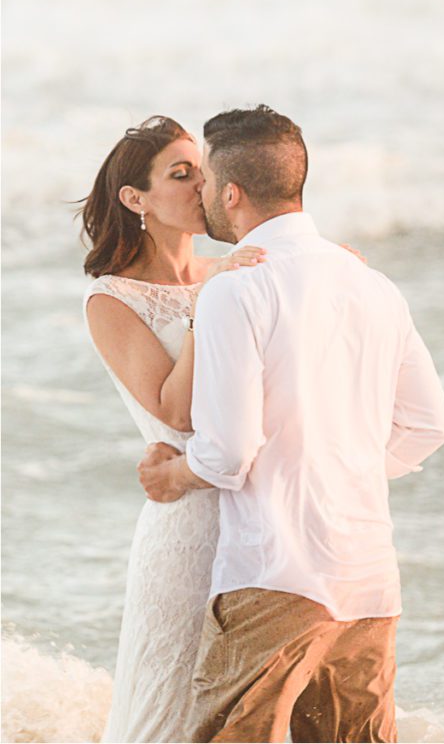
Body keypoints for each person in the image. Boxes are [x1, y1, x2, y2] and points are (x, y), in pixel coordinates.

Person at [136, 105, 444, 742]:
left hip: (274, 574)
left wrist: (174, 475)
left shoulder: (235, 288)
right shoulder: (374, 284)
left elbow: (227, 453)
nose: (201, 198)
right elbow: (428, 424)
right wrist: (340, 468)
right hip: (368, 581)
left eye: (205, 187)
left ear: (232, 193)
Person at [81, 115, 268, 742]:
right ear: (136, 199)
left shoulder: (232, 271)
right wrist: (209, 306)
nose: (200, 187)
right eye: (180, 174)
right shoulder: (113, 300)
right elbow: (176, 410)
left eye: (204, 172)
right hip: (185, 526)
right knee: (169, 704)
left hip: (260, 516)